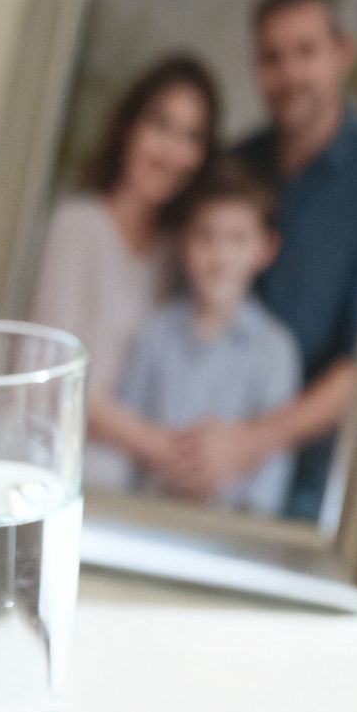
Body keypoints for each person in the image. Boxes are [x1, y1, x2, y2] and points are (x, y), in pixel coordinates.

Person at [173, 0, 357, 521]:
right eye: (271, 58)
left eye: (305, 51)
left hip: (313, 476)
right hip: (197, 444)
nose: (288, 73)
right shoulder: (233, 164)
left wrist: (249, 443)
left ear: (343, 52)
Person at [30, 55, 219, 491]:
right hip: (55, 461)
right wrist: (164, 447)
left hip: (134, 474)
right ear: (129, 127)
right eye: (161, 126)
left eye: (191, 137)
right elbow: (57, 384)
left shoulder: (179, 253)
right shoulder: (77, 225)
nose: (172, 152)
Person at [113, 159, 301, 515]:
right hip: (148, 518)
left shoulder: (276, 350)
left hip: (233, 532)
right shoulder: (153, 334)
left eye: (237, 240)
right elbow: (128, 440)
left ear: (265, 250)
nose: (220, 256)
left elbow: (273, 467)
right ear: (184, 243)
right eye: (206, 237)